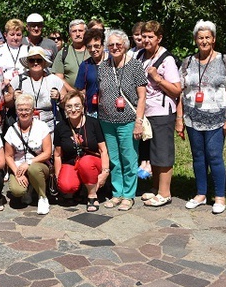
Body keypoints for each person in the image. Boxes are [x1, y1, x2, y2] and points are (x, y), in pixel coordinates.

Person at [177, 20, 226, 214]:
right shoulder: (187, 62)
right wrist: (180, 119)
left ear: (214, 39)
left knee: (215, 156)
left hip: (217, 119)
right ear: (196, 40)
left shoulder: (224, 60)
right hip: (193, 118)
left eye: (207, 37)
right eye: (200, 38)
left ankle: (220, 196)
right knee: (198, 157)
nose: (204, 41)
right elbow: (181, 92)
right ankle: (201, 194)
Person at [98, 29, 147, 212]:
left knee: (129, 158)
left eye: (119, 44)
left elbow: (142, 97)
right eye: (111, 45)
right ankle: (117, 193)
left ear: (125, 45)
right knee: (114, 160)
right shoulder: (103, 66)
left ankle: (128, 195)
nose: (115, 47)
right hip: (107, 120)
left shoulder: (135, 66)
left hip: (128, 120)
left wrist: (138, 122)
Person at [137, 21, 182, 207]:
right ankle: (155, 189)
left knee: (163, 153)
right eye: (144, 36)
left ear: (159, 38)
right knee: (153, 153)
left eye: (150, 37)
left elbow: (177, 90)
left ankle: (165, 193)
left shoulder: (167, 59)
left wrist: (158, 79)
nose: (146, 40)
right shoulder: (139, 55)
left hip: (163, 112)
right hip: (146, 112)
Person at [54, 90, 110, 211]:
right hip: (72, 163)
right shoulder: (60, 127)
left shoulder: (93, 123)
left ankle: (92, 195)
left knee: (86, 162)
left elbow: (103, 150)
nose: (73, 110)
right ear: (65, 108)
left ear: (83, 107)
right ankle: (80, 188)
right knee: (66, 185)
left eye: (77, 105)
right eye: (69, 106)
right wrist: (58, 176)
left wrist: (105, 172)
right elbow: (57, 154)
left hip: (92, 162)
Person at [4, 94, 53, 214]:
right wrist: (16, 172)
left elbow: (47, 153)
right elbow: (8, 156)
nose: (24, 113)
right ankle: (28, 190)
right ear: (16, 111)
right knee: (17, 191)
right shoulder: (11, 130)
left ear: (33, 111)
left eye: (27, 109)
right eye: (20, 109)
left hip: (38, 165)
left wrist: (29, 163)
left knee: (33, 169)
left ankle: (42, 197)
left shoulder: (42, 127)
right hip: (19, 166)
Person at [13, 47, 65, 133]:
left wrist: (59, 97)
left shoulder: (54, 80)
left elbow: (66, 104)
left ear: (44, 62)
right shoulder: (18, 80)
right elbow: (7, 102)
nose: (35, 63)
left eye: (39, 60)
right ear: (28, 63)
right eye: (32, 60)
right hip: (24, 128)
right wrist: (13, 97)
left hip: (50, 128)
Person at [75, 28, 106, 117]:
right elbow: (80, 91)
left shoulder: (111, 62)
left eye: (96, 46)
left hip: (109, 112)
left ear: (103, 45)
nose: (93, 49)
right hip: (92, 112)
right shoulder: (85, 65)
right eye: (89, 47)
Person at [51, 19, 90, 91]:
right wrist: (73, 92)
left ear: (86, 33)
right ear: (70, 34)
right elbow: (58, 77)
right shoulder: (63, 53)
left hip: (92, 96)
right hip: (71, 97)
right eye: (74, 31)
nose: (77, 34)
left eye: (80, 31)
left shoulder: (92, 51)